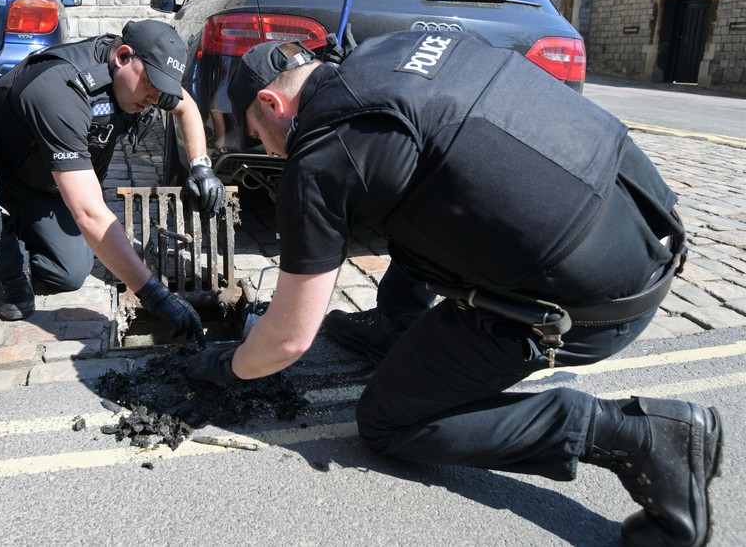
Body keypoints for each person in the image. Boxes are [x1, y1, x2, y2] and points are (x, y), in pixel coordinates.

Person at [187, 31, 722, 547]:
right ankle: (395, 325)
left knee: (387, 422)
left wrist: (225, 365)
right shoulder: (392, 49)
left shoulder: (324, 155)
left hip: (594, 304)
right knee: (426, 183)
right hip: (648, 217)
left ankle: (636, 435)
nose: (266, 148)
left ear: (271, 103)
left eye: (256, 132)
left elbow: (288, 341)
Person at [0, 19, 223, 341]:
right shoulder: (60, 87)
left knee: (68, 273)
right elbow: (88, 213)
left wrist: (201, 167)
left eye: (161, 88)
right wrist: (155, 295)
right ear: (123, 57)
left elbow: (186, 106)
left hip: (41, 179)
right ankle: (2, 265)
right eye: (152, 86)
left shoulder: (145, 81)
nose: (156, 98)